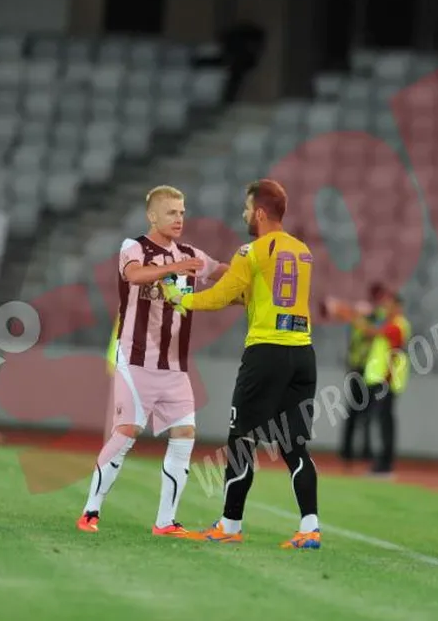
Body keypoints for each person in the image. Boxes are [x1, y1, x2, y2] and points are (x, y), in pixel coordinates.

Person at [162, 178, 321, 549]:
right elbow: (258, 296)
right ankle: (310, 528)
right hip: (302, 353)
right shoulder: (303, 252)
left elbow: (220, 297)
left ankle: (230, 525)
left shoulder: (251, 251)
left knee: (242, 440)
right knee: (295, 446)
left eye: (248, 209)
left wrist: (182, 299)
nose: (244, 215)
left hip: (266, 353)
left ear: (260, 213)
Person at [77, 185, 228, 538]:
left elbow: (220, 270)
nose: (179, 218)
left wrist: (249, 273)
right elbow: (134, 275)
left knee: (185, 434)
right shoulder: (134, 248)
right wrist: (177, 267)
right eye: (172, 212)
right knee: (126, 432)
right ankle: (90, 511)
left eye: (182, 212)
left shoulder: (190, 254)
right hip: (136, 361)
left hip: (174, 367)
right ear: (152, 216)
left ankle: (165, 521)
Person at [323, 283, 388, 466]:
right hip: (358, 368)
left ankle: (363, 451)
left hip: (370, 369)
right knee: (354, 410)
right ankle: (348, 451)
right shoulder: (364, 314)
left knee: (367, 412)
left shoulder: (372, 315)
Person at [361, 290, 411, 476]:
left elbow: (393, 354)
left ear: (397, 307)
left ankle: (384, 463)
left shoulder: (397, 326)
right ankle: (383, 461)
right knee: (384, 421)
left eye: (389, 304)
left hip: (387, 381)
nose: (385, 307)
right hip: (383, 380)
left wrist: (387, 379)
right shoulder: (389, 323)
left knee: (384, 422)